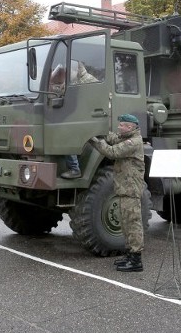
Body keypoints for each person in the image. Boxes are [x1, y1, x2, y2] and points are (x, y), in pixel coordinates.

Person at [88, 114, 145, 272]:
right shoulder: (125, 137)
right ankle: (129, 255)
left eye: (122, 125)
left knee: (133, 224)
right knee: (126, 224)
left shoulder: (133, 142)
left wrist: (94, 140)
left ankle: (136, 260)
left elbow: (112, 151)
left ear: (130, 127)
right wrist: (101, 131)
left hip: (131, 189)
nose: (119, 127)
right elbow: (113, 138)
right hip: (124, 189)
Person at [60, 61, 99, 180]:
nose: (67, 74)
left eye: (69, 71)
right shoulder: (74, 81)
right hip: (80, 117)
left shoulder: (89, 81)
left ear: (76, 70)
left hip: (90, 118)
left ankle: (74, 169)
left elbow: (98, 100)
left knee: (68, 136)